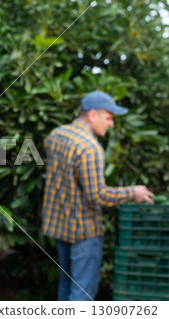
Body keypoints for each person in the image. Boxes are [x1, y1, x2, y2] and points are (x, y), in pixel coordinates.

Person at [41, 91, 154, 301]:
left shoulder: (56, 135)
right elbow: (98, 196)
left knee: (66, 284)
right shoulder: (90, 148)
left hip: (59, 227)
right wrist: (133, 192)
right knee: (82, 293)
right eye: (109, 117)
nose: (111, 124)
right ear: (93, 115)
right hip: (83, 231)